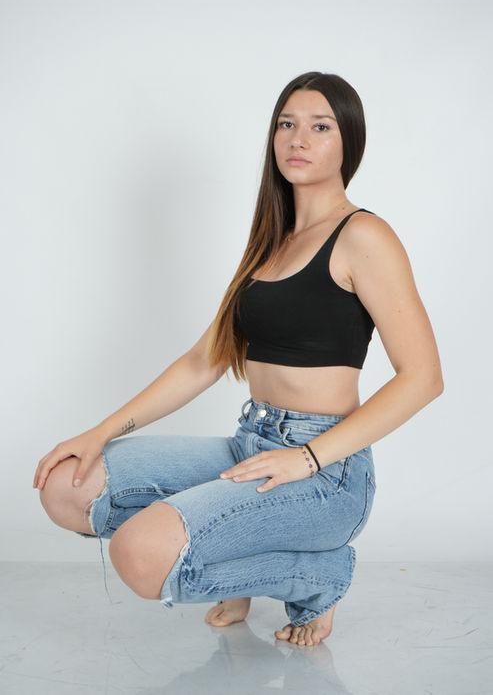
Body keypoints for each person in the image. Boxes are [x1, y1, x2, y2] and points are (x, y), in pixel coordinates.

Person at [33, 71, 444, 648]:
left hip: (327, 470)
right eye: (287, 124)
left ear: (348, 141)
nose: (298, 138)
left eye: (320, 127)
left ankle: (319, 577)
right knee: (66, 488)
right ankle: (235, 554)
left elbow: (423, 378)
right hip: (250, 443)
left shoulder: (364, 236)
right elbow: (204, 360)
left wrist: (307, 457)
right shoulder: (270, 242)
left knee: (139, 554)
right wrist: (99, 432)